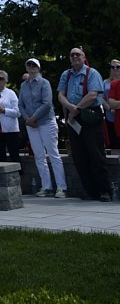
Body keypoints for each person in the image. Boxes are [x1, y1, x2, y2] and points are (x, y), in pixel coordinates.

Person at [58, 47, 112, 201]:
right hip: (73, 117)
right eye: (72, 54)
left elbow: (93, 94)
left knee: (96, 154)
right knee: (79, 155)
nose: (75, 56)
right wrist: (70, 107)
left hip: (90, 117)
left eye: (78, 54)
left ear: (83, 57)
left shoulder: (92, 73)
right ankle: (90, 191)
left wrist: (76, 109)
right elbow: (61, 94)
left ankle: (104, 191)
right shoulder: (66, 74)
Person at [18, 58, 67, 197]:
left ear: (39, 68)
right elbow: (20, 104)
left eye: (34, 65)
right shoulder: (24, 86)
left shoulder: (44, 83)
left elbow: (46, 103)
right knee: (39, 156)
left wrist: (33, 118)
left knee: (53, 154)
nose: (31, 67)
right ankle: (46, 186)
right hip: (31, 124)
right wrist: (27, 119)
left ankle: (61, 187)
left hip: (46, 121)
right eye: (29, 65)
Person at [102, 59, 120, 152]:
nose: (115, 69)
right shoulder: (105, 83)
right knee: (113, 142)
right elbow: (101, 98)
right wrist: (109, 107)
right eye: (112, 67)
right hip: (110, 115)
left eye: (118, 67)